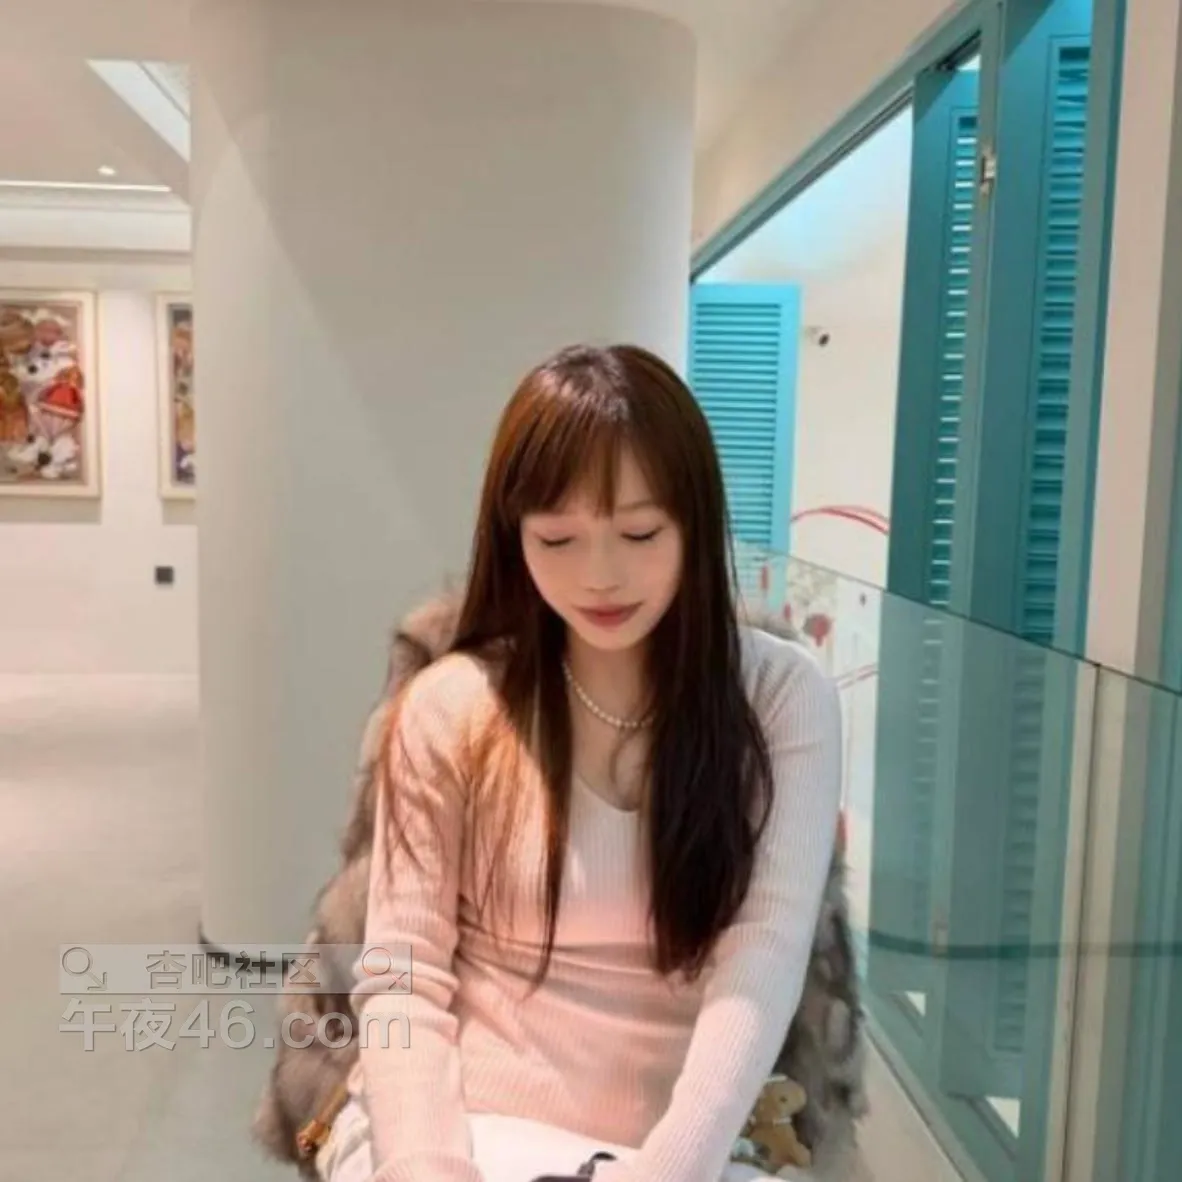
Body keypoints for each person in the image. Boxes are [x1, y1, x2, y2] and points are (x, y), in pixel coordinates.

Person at [318, 343, 843, 1182]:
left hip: (684, 1144)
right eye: (557, 537)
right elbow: (402, 978)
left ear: (695, 523)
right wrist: (426, 1165)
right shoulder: (453, 705)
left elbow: (764, 961)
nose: (601, 575)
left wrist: (669, 1169)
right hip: (463, 1125)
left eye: (639, 532)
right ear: (513, 535)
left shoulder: (781, 700)